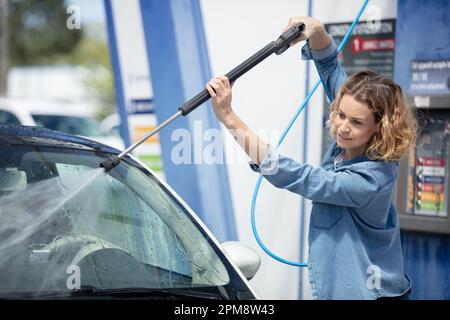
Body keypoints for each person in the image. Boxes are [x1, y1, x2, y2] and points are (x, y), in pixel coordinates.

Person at [205, 16, 417, 300]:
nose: (342, 126)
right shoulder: (352, 140)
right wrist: (317, 32)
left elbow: (300, 177)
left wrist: (229, 118)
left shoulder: (370, 178)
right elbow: (331, 68)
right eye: (340, 114)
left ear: (379, 127)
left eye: (356, 122)